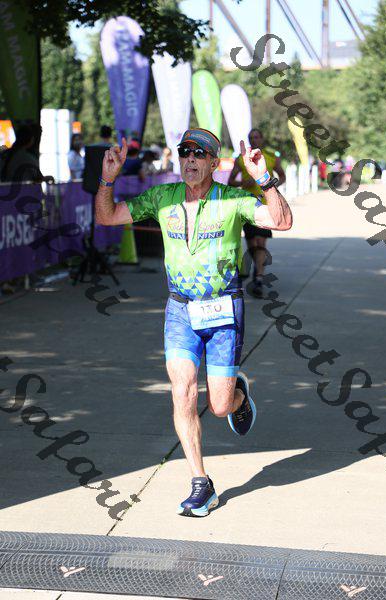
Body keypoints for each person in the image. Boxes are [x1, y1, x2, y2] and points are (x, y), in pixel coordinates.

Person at [95, 127, 292, 517]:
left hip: (223, 310)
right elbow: (107, 216)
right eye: (185, 152)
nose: (190, 159)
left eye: (199, 154)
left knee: (218, 406)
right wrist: (107, 179)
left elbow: (281, 221)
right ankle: (201, 482)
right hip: (180, 310)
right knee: (182, 392)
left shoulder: (232, 199)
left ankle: (236, 396)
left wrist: (264, 179)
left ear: (214, 163)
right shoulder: (162, 197)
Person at [228, 128, 286, 298]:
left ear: (262, 139)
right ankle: (256, 269)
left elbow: (282, 176)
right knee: (252, 244)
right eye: (251, 138)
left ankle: (259, 277)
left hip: (266, 206)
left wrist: (271, 187)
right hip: (247, 206)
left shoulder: (270, 157)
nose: (254, 140)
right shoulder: (241, 159)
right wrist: (241, 183)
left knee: (261, 242)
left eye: (257, 137)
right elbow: (230, 181)